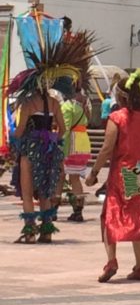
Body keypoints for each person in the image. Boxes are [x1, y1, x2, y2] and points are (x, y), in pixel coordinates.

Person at [6, 29, 92, 243]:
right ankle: (46, 230)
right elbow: (62, 129)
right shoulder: (54, 103)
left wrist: (11, 136)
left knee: (27, 193)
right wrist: (52, 139)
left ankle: (29, 231)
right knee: (44, 190)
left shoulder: (27, 103)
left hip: (30, 150)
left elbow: (19, 130)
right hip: (49, 151)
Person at [85, 69, 140, 283]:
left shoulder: (117, 117)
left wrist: (94, 173)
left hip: (124, 171)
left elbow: (107, 148)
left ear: (121, 97)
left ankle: (111, 260)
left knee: (110, 215)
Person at [57, 76, 92, 222]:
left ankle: (52, 211)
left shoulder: (67, 105)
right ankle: (78, 211)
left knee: (60, 176)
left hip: (70, 143)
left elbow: (65, 127)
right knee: (75, 179)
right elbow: (88, 121)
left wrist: (58, 144)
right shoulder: (84, 103)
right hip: (83, 141)